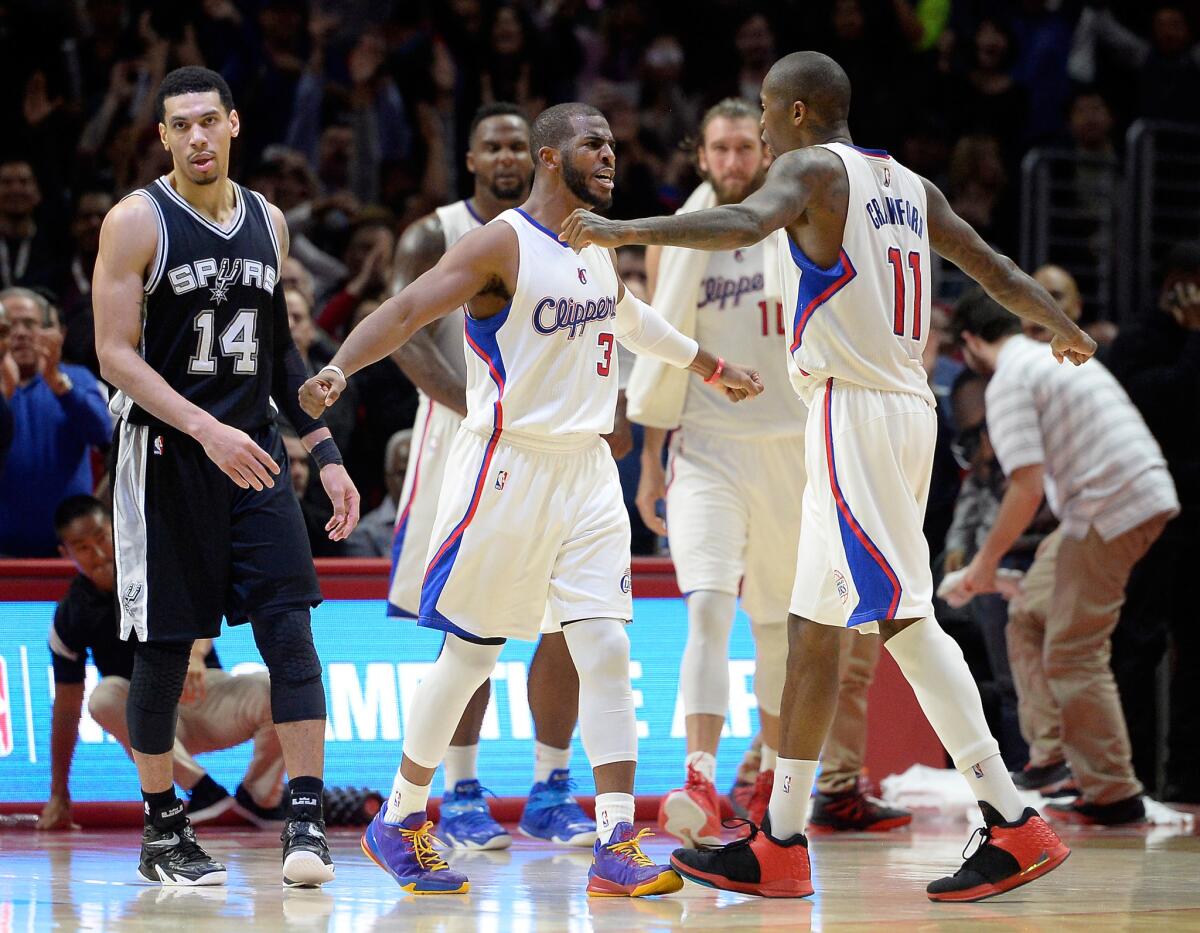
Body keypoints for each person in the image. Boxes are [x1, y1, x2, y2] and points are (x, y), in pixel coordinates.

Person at [560, 50, 1095, 902]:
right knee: (813, 629)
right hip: (884, 409)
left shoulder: (810, 169)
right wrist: (1060, 321)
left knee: (906, 623)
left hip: (858, 411)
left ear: (798, 113)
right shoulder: (910, 185)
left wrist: (627, 233)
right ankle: (780, 837)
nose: (763, 133)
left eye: (767, 116)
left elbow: (740, 224)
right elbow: (993, 268)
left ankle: (1010, 817)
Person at [299, 101, 763, 897]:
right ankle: (402, 814)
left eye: (614, 143)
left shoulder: (595, 246)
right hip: (506, 469)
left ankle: (619, 835)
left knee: (608, 649)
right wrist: (340, 368)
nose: (611, 154)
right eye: (594, 144)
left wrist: (709, 366)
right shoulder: (501, 242)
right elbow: (412, 307)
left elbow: (633, 319)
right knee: (472, 654)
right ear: (551, 158)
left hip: (585, 473)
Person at [92, 66, 360, 888]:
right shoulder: (137, 221)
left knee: (292, 630)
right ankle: (164, 831)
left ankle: (305, 820)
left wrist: (325, 446)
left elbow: (277, 349)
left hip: (254, 457)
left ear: (235, 124)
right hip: (169, 457)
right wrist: (203, 427)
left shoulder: (269, 221)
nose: (199, 137)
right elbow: (113, 354)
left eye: (210, 121)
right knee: (165, 655)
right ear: (164, 137)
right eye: (182, 126)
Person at [631, 98, 908, 844]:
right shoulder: (681, 238)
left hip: (793, 444)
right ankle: (696, 775)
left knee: (782, 631)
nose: (730, 162)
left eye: (742, 148)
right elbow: (662, 345)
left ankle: (768, 785)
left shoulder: (800, 213)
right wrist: (651, 461)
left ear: (764, 150)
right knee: (708, 608)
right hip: (708, 448)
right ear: (700, 156)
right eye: (717, 149)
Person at [385, 102, 601, 851]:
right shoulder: (434, 232)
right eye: (493, 146)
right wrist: (479, 401)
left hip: (551, 438)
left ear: (537, 157)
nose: (507, 156)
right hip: (467, 431)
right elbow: (404, 327)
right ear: (471, 159)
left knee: (565, 623)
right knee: (466, 627)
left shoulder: (576, 233)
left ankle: (551, 787)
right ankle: (461, 791)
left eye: (518, 144)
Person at [953, 291, 1178, 826]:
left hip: (1111, 507)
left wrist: (983, 565)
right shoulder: (1048, 353)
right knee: (1028, 613)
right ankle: (1053, 759)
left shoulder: (1007, 380)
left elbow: (1025, 488)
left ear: (968, 343)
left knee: (1074, 652)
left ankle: (1112, 794)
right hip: (1117, 500)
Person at [39, 496, 287, 832]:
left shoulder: (157, 563)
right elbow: (67, 709)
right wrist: (59, 793)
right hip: (148, 719)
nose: (97, 553)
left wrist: (196, 655)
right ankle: (204, 793)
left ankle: (259, 798)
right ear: (65, 554)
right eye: (83, 547)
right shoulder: (71, 616)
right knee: (104, 696)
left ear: (116, 527)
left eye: (101, 537)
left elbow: (204, 609)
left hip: (200, 696)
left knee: (281, 688)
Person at [0, 288, 111, 557]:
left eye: (30, 323)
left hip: (70, 553)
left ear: (53, 332)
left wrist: (58, 383)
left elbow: (105, 434)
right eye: (8, 327)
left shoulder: (77, 378)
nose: (21, 333)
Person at [343, 428, 411, 557]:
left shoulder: (443, 524)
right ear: (387, 478)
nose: (410, 482)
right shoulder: (366, 533)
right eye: (403, 474)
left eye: (416, 474)